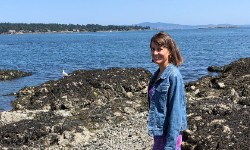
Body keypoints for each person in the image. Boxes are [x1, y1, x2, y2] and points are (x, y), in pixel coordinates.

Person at [147, 31, 187, 150]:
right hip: (160, 133)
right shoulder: (156, 75)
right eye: (153, 49)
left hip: (170, 135)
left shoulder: (173, 76)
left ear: (169, 51)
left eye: (159, 49)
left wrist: (170, 145)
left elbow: (176, 112)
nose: (155, 53)